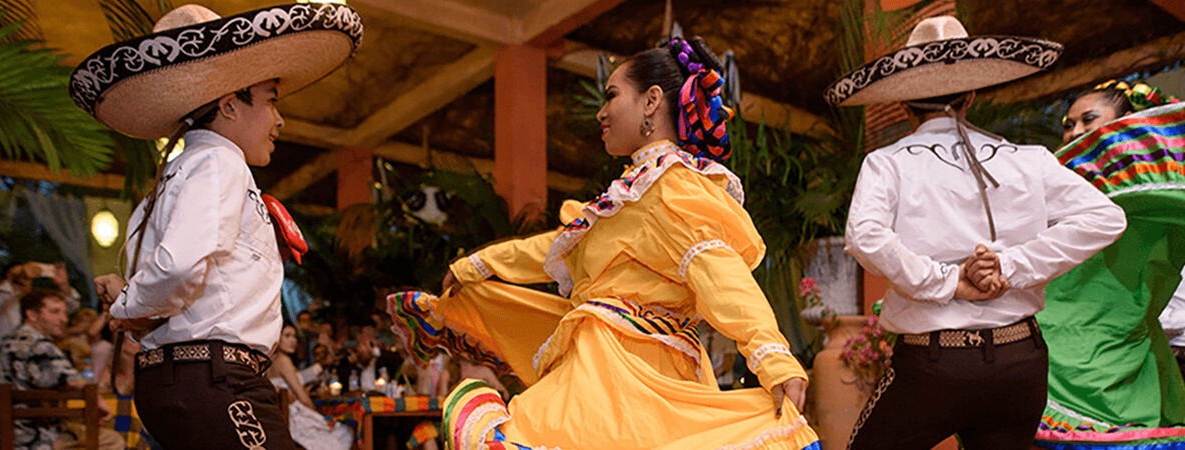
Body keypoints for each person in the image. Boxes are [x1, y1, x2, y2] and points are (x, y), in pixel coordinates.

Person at [386, 36, 821, 450]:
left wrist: (772, 356)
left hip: (625, 373)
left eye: (612, 95)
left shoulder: (671, 185)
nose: (601, 112)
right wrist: (476, 265)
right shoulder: (636, 190)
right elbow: (563, 245)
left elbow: (720, 274)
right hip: (615, 370)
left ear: (651, 101)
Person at [828, 16, 1127, 450]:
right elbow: (1106, 218)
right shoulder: (1029, 159)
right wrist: (1009, 266)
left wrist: (950, 282)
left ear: (904, 101)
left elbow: (864, 236)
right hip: (1019, 362)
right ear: (970, 94)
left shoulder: (888, 163)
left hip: (933, 366)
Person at [71, 3, 361, 448]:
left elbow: (172, 286)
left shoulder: (171, 180)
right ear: (229, 105)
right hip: (215, 380)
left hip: (184, 378)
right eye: (271, 100)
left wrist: (129, 298)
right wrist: (126, 305)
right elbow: (179, 268)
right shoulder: (219, 161)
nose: (279, 119)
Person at [1035, 80, 1185, 449]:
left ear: (1128, 124)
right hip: (1062, 341)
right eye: (1069, 124)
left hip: (1116, 342)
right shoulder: (1056, 186)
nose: (1076, 131)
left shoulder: (1147, 185)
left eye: (1088, 119)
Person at [0, 289, 123, 450]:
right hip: (32, 438)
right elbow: (72, 381)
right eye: (55, 312)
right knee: (113, 440)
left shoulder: (7, 342)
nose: (64, 319)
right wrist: (98, 401)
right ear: (31, 315)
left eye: (64, 313)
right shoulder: (38, 345)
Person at [266, 324, 353, 450]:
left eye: (294, 336)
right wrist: (317, 414)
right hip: (294, 421)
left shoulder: (271, 362)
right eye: (287, 336)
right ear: (277, 338)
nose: (293, 340)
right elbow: (303, 398)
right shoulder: (283, 361)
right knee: (345, 432)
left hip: (281, 421)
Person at [0, 262, 80, 342]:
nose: (23, 281)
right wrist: (22, 272)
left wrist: (63, 285)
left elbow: (71, 306)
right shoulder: (2, 305)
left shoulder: (37, 302)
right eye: (19, 278)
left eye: (27, 278)